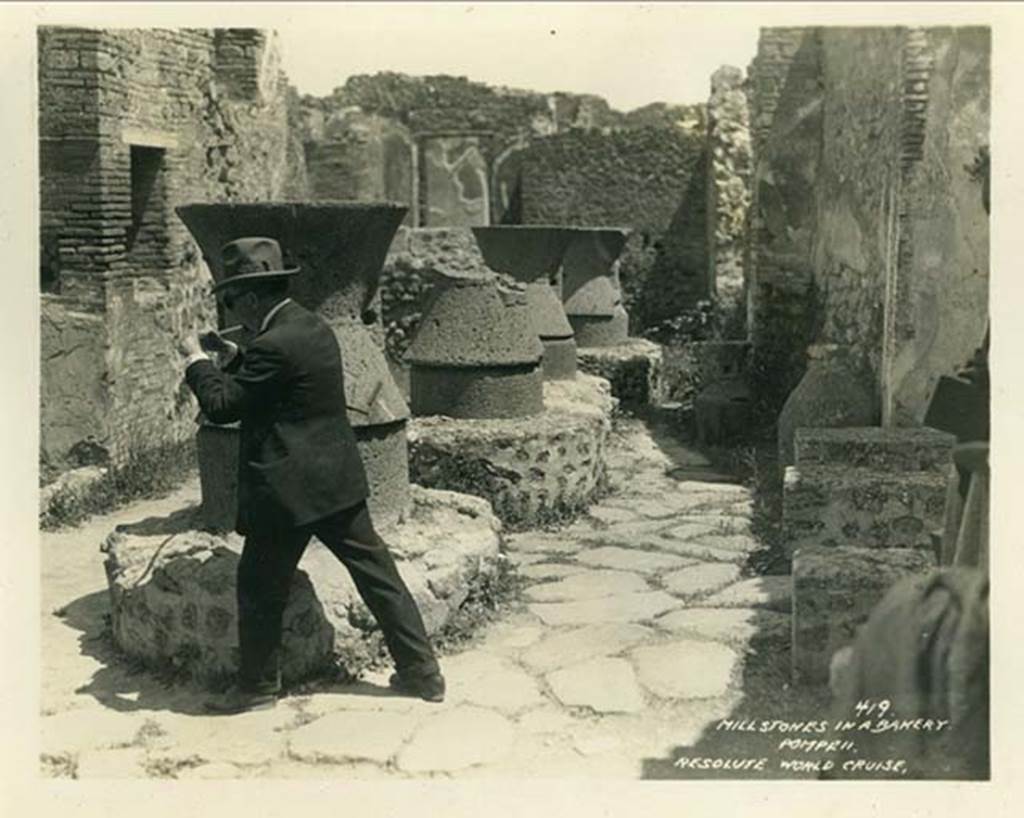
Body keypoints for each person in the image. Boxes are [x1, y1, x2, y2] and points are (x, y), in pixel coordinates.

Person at [178, 236, 444, 714]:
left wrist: (196, 362)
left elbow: (222, 406)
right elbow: (279, 382)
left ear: (252, 298)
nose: (230, 310)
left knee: (257, 586)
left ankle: (257, 687)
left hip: (286, 492)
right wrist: (234, 356)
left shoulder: (272, 344)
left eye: (231, 301)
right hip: (335, 482)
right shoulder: (309, 325)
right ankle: (423, 673)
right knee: (377, 576)